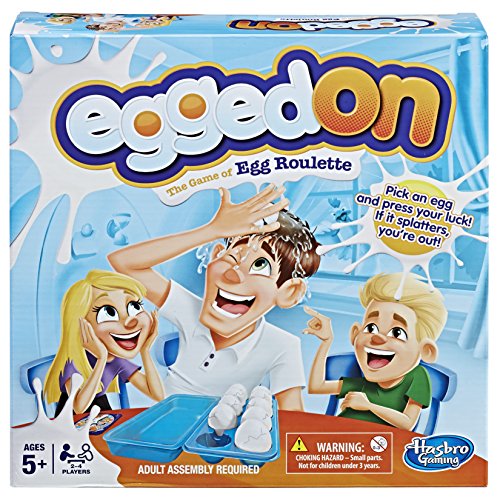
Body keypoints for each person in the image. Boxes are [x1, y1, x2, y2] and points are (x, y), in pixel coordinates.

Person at [108, 184, 321, 411]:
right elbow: (124, 263)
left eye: (260, 265)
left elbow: (292, 416)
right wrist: (212, 231)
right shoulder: (189, 309)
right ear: (216, 255)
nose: (233, 274)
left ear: (289, 292)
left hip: (222, 429)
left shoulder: (282, 345)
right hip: (165, 417)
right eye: (233, 257)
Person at [306, 273, 447, 429]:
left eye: (397, 332)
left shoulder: (417, 377)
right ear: (355, 333)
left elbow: (407, 423)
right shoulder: (362, 384)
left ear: (426, 350)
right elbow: (316, 387)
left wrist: (368, 406)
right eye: (371, 328)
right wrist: (326, 341)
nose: (377, 338)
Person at [44, 270, 165, 415]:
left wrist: (145, 351)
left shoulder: (115, 360)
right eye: (109, 312)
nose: (130, 321)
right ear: (80, 325)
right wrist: (101, 359)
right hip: (71, 421)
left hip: (101, 413)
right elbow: (79, 407)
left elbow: (157, 395)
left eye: (134, 306)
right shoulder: (74, 361)